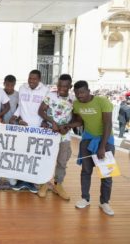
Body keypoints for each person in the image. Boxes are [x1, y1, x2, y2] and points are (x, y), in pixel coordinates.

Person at [65, 80, 115, 216]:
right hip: (87, 139)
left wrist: (102, 147)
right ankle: (85, 198)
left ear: (88, 91)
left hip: (105, 139)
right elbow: (79, 121)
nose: (79, 96)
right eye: (77, 93)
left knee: (106, 173)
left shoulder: (102, 101)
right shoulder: (76, 104)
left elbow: (108, 124)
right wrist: (68, 126)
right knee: (86, 171)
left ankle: (105, 202)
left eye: (82, 92)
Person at [9, 69, 49, 193]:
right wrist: (17, 117)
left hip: (37, 128)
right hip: (23, 127)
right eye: (30, 78)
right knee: (21, 155)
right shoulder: (22, 88)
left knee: (33, 157)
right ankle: (21, 181)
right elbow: (21, 106)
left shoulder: (45, 90)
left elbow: (47, 108)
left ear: (39, 80)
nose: (31, 81)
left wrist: (45, 121)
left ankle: (31, 182)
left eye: (34, 79)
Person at [37, 74, 74, 200]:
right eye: (60, 85)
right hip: (49, 133)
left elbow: (75, 117)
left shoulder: (73, 99)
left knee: (62, 161)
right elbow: (41, 111)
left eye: (65, 86)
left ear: (70, 86)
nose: (62, 88)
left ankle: (58, 184)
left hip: (64, 135)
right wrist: (51, 122)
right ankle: (44, 183)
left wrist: (67, 127)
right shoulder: (51, 95)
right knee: (46, 159)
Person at [1, 74, 19, 187]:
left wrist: (16, 118)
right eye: (7, 85)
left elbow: (20, 109)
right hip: (0, 126)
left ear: (14, 85)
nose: (9, 87)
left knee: (12, 152)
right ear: (4, 84)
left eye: (11, 85)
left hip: (13, 127)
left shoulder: (17, 95)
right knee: (0, 151)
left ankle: (11, 176)